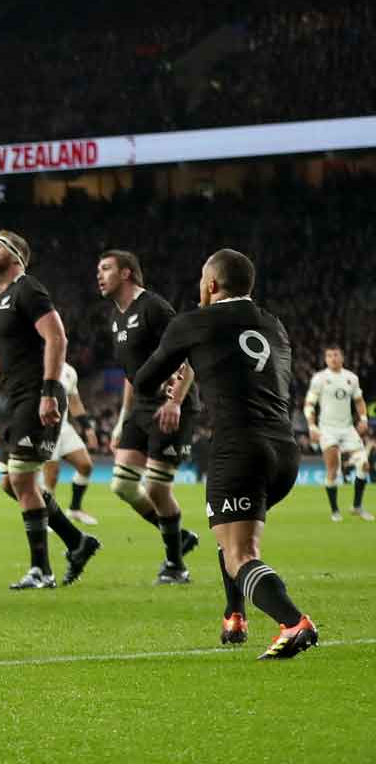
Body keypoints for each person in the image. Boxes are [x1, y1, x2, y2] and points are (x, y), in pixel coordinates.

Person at [133, 249, 316, 659]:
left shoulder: (193, 322)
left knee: (241, 554)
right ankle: (235, 614)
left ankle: (293, 621)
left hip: (239, 449)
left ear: (211, 284)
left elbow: (145, 380)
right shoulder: (273, 323)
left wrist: (171, 378)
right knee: (232, 534)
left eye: (203, 279)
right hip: (285, 450)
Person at [0, 231, 100, 590]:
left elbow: (57, 337)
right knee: (9, 483)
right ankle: (78, 542)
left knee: (21, 479)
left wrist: (49, 391)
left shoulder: (28, 288)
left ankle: (41, 570)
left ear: (16, 256)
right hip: (16, 397)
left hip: (37, 394)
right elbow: (5, 356)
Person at [97, 249, 200, 582]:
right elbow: (133, 376)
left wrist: (176, 402)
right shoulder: (115, 318)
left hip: (170, 405)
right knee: (123, 485)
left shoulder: (152, 307)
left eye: (106, 268)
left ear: (126, 273)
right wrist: (121, 420)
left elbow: (187, 353)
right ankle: (178, 538)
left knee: (156, 487)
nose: (99, 275)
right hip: (140, 407)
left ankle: (176, 566)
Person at [304, 346, 370, 522]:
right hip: (327, 429)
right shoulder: (319, 378)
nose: (332, 358)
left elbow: (358, 400)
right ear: (325, 359)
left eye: (336, 355)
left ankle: (357, 506)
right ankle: (335, 510)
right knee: (333, 470)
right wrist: (312, 427)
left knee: (364, 465)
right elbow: (309, 404)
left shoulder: (351, 378)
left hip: (348, 429)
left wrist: (363, 418)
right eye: (329, 355)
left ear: (342, 357)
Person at [41, 361, 97, 528]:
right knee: (52, 474)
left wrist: (87, 428)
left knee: (85, 465)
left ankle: (75, 508)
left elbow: (74, 402)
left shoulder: (69, 371)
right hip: (45, 427)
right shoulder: (38, 365)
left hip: (63, 427)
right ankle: (48, 517)